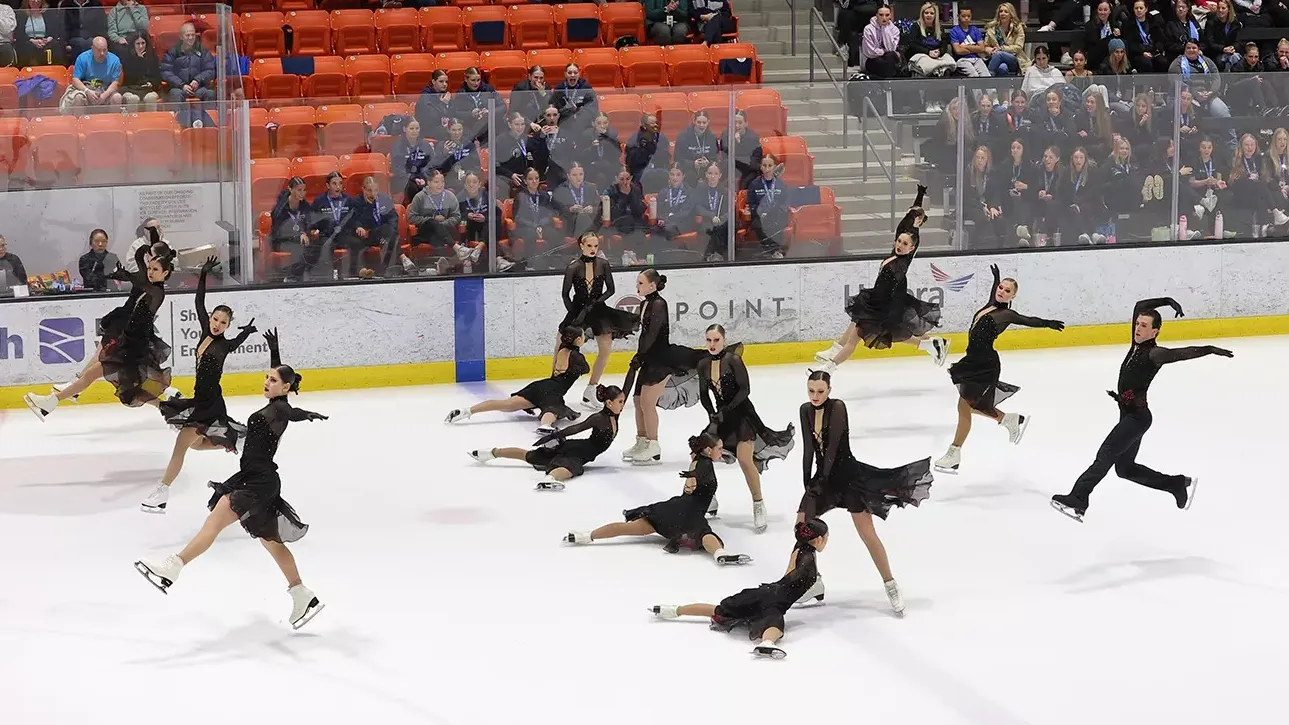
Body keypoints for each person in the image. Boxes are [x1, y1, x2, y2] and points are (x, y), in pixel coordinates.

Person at [134, 329, 328, 631]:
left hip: (256, 483)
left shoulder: (279, 409)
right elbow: (284, 396)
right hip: (257, 479)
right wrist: (274, 352)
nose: (267, 381)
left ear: (286, 386)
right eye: (267, 376)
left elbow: (290, 409)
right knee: (271, 542)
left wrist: (308, 413)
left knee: (214, 522)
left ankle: (172, 567)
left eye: (273, 380)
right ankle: (302, 594)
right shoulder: (274, 403)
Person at [1051, 299, 1227, 521]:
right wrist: (1167, 301)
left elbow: (1181, 353)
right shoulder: (1135, 344)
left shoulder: (1155, 354)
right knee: (1124, 469)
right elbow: (1138, 305)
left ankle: (1079, 498)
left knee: (1106, 454)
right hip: (1128, 414)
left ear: (1155, 331)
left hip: (1137, 418)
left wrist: (1209, 349)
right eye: (1137, 324)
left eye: (1144, 326)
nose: (1138, 327)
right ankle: (1175, 484)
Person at [798, 370, 930, 616]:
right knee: (802, 527)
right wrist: (808, 483)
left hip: (848, 479)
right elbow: (809, 450)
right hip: (822, 479)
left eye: (820, 391)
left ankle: (890, 583)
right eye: (811, 391)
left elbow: (832, 451)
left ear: (829, 390)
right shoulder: (805, 410)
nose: (815, 396)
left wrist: (821, 481)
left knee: (867, 535)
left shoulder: (838, 408)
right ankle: (811, 581)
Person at [144, 257, 258, 514]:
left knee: (182, 446)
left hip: (209, 404)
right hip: (202, 400)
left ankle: (162, 491)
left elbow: (236, 340)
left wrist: (246, 332)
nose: (217, 324)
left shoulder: (224, 345)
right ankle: (235, 439)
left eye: (223, 323)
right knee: (195, 445)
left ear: (228, 326)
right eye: (215, 319)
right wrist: (203, 274)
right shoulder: (206, 332)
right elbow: (198, 301)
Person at [26, 232, 175, 418]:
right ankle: (171, 412)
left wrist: (128, 274)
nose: (150, 272)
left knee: (96, 377)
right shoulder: (151, 286)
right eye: (150, 269)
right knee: (125, 388)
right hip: (128, 345)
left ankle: (51, 402)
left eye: (155, 270)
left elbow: (143, 284)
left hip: (132, 348)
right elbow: (141, 279)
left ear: (166, 273)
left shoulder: (157, 292)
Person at [934, 265, 1065, 474]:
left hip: (985, 365)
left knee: (964, 406)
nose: (1001, 291)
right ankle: (1007, 419)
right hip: (973, 361)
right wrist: (996, 278)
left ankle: (955, 452)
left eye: (1007, 291)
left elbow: (1028, 320)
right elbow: (993, 292)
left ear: (1012, 296)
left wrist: (1048, 323)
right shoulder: (990, 305)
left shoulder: (1006, 314)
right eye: (1001, 287)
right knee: (967, 406)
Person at [649, 518, 829, 660]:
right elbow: (798, 578)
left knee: (718, 609)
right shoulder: (808, 562)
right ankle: (767, 643)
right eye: (826, 539)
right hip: (776, 601)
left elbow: (789, 574)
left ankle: (673, 610)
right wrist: (808, 585)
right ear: (819, 539)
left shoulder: (799, 548)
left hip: (767, 591)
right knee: (775, 625)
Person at [564, 432, 751, 566]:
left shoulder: (698, 460)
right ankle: (720, 554)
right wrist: (693, 477)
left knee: (629, 528)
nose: (722, 450)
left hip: (672, 510)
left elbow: (693, 479)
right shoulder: (704, 465)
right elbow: (699, 474)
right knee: (704, 535)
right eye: (719, 448)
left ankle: (586, 535)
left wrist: (692, 479)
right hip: (691, 514)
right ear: (709, 451)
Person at [816, 186, 948, 369]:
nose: (900, 245)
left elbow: (910, 230)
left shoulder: (904, 259)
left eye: (905, 244)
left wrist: (917, 217)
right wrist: (918, 198)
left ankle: (830, 364)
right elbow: (905, 225)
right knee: (871, 328)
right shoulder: (898, 247)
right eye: (899, 242)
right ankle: (834, 352)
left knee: (888, 333)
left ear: (911, 248)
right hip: (877, 301)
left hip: (886, 305)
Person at [695, 325, 795, 532]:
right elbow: (704, 394)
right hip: (721, 416)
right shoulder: (703, 364)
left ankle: (758, 504)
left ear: (723, 340)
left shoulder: (733, 360)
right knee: (698, 453)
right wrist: (712, 416)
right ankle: (708, 498)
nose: (712, 344)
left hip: (742, 415)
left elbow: (745, 390)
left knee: (744, 459)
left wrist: (726, 410)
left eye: (716, 340)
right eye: (709, 340)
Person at [469, 384, 625, 491]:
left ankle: (490, 453)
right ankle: (550, 480)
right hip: (579, 452)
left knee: (531, 456)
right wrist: (557, 435)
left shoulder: (614, 413)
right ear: (609, 403)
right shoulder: (599, 418)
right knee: (571, 469)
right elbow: (577, 428)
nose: (623, 405)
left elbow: (628, 386)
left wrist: (634, 366)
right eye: (620, 402)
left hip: (580, 448)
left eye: (623, 401)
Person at [620, 269, 705, 465]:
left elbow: (652, 334)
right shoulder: (644, 303)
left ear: (652, 285)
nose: (637, 286)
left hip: (660, 358)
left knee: (648, 403)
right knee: (638, 400)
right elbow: (643, 334)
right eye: (637, 283)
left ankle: (654, 444)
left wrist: (640, 356)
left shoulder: (659, 304)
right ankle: (641, 441)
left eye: (641, 283)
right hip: (648, 357)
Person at [448, 326, 589, 433]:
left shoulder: (561, 349)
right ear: (578, 340)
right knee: (553, 410)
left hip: (540, 385)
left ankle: (467, 411)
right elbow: (585, 369)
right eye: (583, 337)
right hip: (554, 391)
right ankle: (545, 426)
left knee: (506, 404)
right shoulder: (577, 357)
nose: (585, 338)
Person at [557, 232, 639, 409]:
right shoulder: (573, 267)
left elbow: (611, 289)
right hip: (578, 309)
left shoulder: (603, 264)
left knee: (605, 350)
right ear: (581, 246)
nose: (593, 249)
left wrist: (595, 303)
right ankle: (554, 392)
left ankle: (591, 388)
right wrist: (575, 314)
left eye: (596, 246)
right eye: (589, 246)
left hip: (598, 309)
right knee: (561, 347)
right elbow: (565, 294)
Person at [161, 22, 215, 112]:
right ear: (181, 37)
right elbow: (166, 72)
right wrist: (181, 85)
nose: (190, 38)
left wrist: (198, 80)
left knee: (209, 93)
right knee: (175, 94)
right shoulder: (173, 52)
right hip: (179, 88)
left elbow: (210, 70)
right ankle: (176, 122)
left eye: (193, 35)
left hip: (199, 88)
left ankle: (210, 121)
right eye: (187, 35)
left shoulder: (203, 51)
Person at [61, 36, 122, 112]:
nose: (102, 53)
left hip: (105, 90)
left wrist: (104, 95)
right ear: (92, 48)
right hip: (86, 89)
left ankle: (114, 122)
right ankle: (79, 123)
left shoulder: (115, 60)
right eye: (99, 50)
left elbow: (115, 82)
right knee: (78, 97)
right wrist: (87, 91)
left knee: (117, 97)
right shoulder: (82, 58)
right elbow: (75, 79)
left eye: (104, 50)